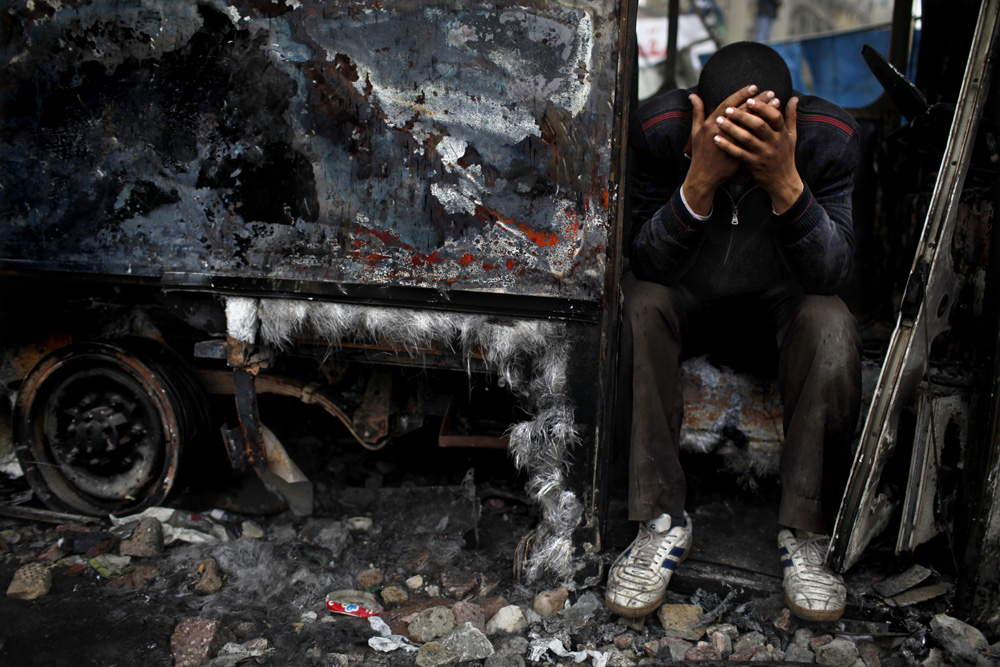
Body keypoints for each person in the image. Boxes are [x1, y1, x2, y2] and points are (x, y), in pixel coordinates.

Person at [606, 41, 862, 622]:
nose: (746, 145)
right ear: (698, 113)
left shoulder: (828, 139)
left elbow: (832, 274)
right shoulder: (661, 131)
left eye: (762, 130)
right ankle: (660, 518)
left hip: (781, 303)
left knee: (832, 323)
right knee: (640, 302)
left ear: (792, 118)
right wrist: (698, 181)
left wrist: (784, 181)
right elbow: (646, 263)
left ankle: (805, 530)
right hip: (689, 295)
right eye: (730, 131)